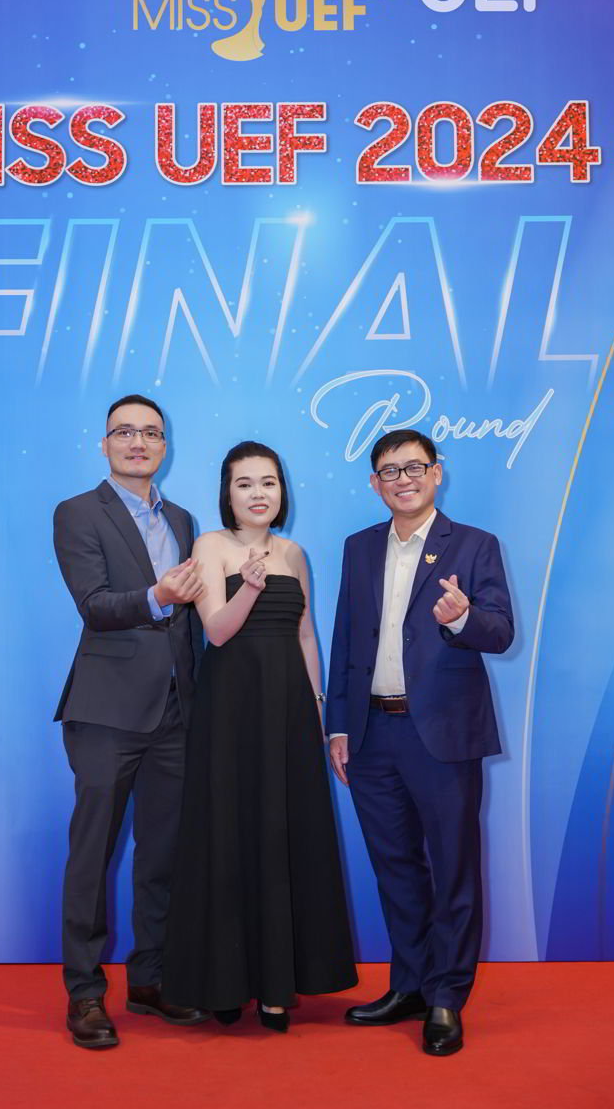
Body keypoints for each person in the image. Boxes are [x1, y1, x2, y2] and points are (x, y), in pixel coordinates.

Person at [326, 429, 514, 1056]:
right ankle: (408, 984)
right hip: (371, 734)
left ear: (436, 472)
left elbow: (500, 632)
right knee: (396, 869)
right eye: (389, 471)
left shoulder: (475, 545)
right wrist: (339, 725)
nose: (402, 479)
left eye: (414, 468)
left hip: (442, 735)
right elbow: (345, 640)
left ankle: (446, 997)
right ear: (374, 483)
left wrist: (461, 618)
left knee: (454, 868)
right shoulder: (358, 548)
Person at [163, 441, 357, 1031]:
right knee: (228, 834)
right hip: (230, 712)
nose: (258, 493)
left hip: (290, 711)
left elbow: (305, 636)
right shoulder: (210, 546)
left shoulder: (294, 553)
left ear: (281, 490)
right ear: (228, 492)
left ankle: (278, 987)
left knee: (283, 834)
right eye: (244, 483)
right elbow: (217, 633)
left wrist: (318, 710)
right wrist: (248, 586)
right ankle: (226, 981)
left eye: (268, 482)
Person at [53, 394, 209, 1049]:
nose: (138, 442)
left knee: (163, 853)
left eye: (150, 432)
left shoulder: (184, 519)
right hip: (106, 711)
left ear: (165, 446)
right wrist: (158, 596)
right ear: (105, 443)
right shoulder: (77, 512)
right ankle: (85, 992)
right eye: (125, 432)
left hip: (176, 711)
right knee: (93, 853)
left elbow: (197, 623)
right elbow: (94, 605)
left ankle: (150, 978)